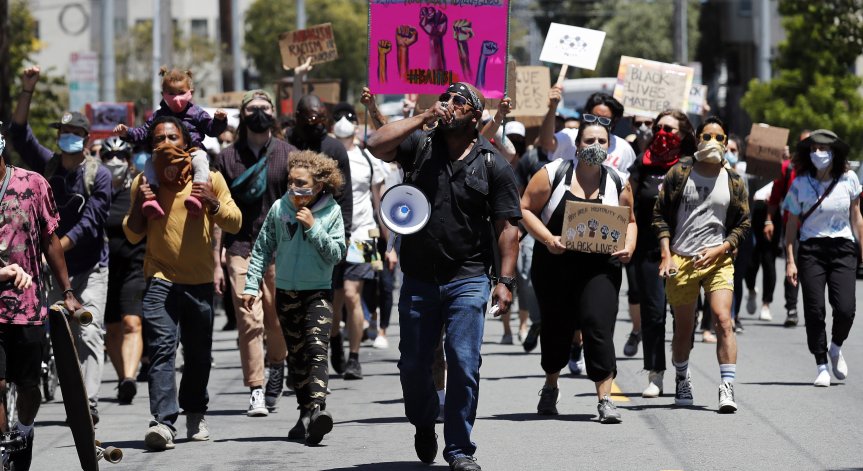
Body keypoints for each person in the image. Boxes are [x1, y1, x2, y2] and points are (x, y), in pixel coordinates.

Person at [367, 82, 521, 471]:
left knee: (464, 363)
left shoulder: (493, 163)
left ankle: (459, 449)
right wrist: (421, 116)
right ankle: (424, 421)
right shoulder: (420, 145)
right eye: (446, 98)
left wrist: (505, 281)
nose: (449, 105)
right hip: (419, 278)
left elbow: (508, 229)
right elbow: (376, 144)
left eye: (458, 101)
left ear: (474, 116)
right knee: (414, 365)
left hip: (468, 277)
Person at [123, 116, 241, 451]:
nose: (165, 144)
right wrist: (139, 206)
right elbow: (132, 234)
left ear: (186, 141)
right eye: (158, 138)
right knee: (161, 350)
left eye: (172, 137)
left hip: (199, 282)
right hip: (159, 279)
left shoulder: (210, 178)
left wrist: (212, 202)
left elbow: (235, 222)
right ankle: (162, 422)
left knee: (198, 354)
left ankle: (195, 413)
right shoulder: (144, 182)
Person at [10, 66, 112, 424]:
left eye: (73, 133)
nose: (67, 137)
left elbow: (90, 223)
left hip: (90, 268)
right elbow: (18, 134)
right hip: (51, 270)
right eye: (62, 132)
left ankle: (91, 403)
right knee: (58, 335)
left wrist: (51, 249)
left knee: (88, 330)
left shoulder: (99, 174)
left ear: (85, 137)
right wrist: (27, 90)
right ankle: (63, 390)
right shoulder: (46, 168)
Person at [521, 116, 636, 423]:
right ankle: (551, 384)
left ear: (609, 145)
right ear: (576, 144)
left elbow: (631, 221)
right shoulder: (552, 174)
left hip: (600, 268)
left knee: (598, 326)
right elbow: (524, 209)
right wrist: (547, 238)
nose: (595, 146)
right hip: (555, 264)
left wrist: (629, 246)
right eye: (589, 141)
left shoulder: (617, 182)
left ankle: (605, 399)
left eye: (601, 141)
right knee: (557, 328)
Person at [242, 150, 346, 444]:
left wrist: (313, 227)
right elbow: (262, 248)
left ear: (319, 185)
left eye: (301, 183)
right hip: (286, 293)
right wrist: (251, 286)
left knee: (316, 348)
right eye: (290, 182)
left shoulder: (331, 212)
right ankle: (304, 412)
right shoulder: (279, 208)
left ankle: (317, 410)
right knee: (297, 356)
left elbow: (337, 254)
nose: (293, 188)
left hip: (318, 292)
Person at [654, 116, 750, 413]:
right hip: (682, 259)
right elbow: (659, 215)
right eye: (707, 136)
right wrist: (666, 254)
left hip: (718, 260)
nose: (713, 142)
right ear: (697, 139)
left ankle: (727, 386)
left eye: (719, 138)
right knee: (684, 328)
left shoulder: (734, 179)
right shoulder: (680, 173)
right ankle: (682, 377)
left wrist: (722, 248)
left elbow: (743, 223)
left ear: (726, 142)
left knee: (723, 319)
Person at [0, 129, 83, 471]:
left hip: (28, 307)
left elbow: (51, 242)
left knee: (28, 386)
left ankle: (24, 428)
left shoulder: (32, 184)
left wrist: (67, 291)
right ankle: (4, 449)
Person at [212, 90, 294, 416]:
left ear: (273, 113)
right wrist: (216, 257)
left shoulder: (289, 155)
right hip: (240, 247)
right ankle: (256, 389)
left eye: (265, 107)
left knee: (276, 318)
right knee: (248, 320)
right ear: (242, 115)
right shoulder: (227, 158)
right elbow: (216, 210)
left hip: (280, 249)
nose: (259, 112)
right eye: (252, 108)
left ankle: (278, 365)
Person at [783, 129, 862, 387]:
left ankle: (835, 346)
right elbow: (792, 225)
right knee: (815, 310)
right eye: (814, 148)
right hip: (811, 250)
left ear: (835, 152)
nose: (819, 153)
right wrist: (790, 260)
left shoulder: (849, 179)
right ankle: (821, 365)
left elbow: (856, 217)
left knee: (846, 309)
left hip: (843, 249)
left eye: (825, 148)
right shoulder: (800, 184)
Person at [628, 109, 697, 397]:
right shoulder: (643, 164)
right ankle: (655, 374)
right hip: (648, 251)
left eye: (669, 129)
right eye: (659, 128)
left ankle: (682, 367)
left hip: (685, 251)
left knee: (683, 316)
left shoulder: (693, 166)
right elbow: (628, 202)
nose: (662, 133)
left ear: (683, 135)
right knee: (653, 314)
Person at [285, 94, 353, 375]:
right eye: (310, 118)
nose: (316, 123)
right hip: (291, 234)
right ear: (298, 117)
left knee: (325, 301)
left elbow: (345, 196)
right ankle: (299, 360)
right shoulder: (286, 146)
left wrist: (344, 233)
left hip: (327, 232)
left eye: (320, 118)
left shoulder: (335, 148)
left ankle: (333, 339)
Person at [114, 66, 228, 219]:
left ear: (190, 93)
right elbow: (143, 133)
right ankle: (152, 198)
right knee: (149, 164)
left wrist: (219, 121)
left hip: (191, 153)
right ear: (163, 95)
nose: (176, 98)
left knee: (201, 160)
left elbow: (211, 129)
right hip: (164, 156)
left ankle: (197, 194)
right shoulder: (159, 115)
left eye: (181, 93)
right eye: (171, 94)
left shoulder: (197, 113)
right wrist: (126, 132)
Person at [330, 102, 391, 380]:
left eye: (349, 117)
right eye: (338, 117)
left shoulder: (369, 159)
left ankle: (354, 356)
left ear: (356, 124)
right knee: (335, 299)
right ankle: (334, 342)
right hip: (331, 236)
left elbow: (380, 203)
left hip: (363, 234)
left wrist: (388, 244)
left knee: (353, 295)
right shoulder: (325, 155)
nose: (344, 121)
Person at [101, 136, 147, 405]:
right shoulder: (97, 190)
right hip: (104, 269)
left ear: (130, 161)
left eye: (121, 156)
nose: (115, 161)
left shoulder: (139, 188)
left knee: (132, 322)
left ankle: (130, 376)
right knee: (113, 328)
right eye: (109, 156)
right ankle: (122, 379)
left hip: (134, 265)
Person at [765, 130, 810, 327]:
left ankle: (813, 309)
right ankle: (791, 308)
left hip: (816, 228)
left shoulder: (825, 171)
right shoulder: (789, 168)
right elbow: (775, 196)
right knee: (792, 265)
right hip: (792, 226)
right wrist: (768, 220)